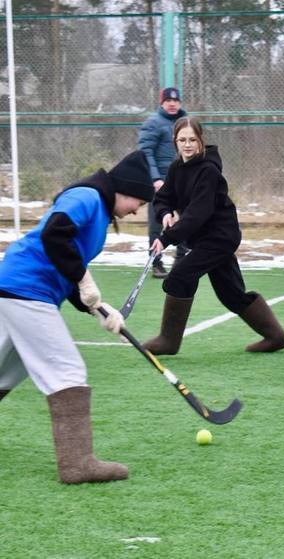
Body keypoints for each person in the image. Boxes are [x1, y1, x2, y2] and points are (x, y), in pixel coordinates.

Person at [0, 151, 154, 484]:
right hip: (28, 288)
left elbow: (65, 264)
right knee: (66, 370)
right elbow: (55, 236)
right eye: (138, 202)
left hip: (15, 285)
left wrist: (97, 309)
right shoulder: (88, 196)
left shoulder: (97, 207)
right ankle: (77, 464)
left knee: (7, 370)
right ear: (124, 189)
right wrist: (84, 280)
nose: (136, 210)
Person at [144, 117, 284, 355]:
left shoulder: (208, 171)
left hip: (221, 237)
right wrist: (165, 213)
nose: (187, 145)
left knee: (180, 275)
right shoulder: (176, 167)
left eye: (192, 139)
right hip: (203, 239)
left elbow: (197, 214)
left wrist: (167, 238)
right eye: (182, 140)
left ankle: (168, 341)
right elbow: (163, 198)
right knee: (231, 295)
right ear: (175, 142)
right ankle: (276, 337)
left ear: (201, 141)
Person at [138, 86, 188, 278]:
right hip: (160, 183)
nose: (173, 103)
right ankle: (156, 263)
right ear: (162, 102)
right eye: (168, 100)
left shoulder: (186, 122)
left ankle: (182, 261)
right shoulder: (153, 123)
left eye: (176, 100)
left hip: (182, 182)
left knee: (187, 220)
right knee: (157, 224)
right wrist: (155, 179)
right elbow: (145, 152)